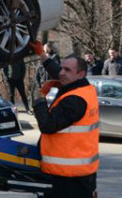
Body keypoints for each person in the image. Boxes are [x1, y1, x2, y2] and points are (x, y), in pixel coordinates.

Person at [29, 41, 98, 198]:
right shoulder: (84, 88)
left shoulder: (75, 100)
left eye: (67, 70)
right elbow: (59, 72)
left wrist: (40, 98)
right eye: (62, 68)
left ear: (80, 74)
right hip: (78, 172)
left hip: (70, 177)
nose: (61, 73)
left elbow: (47, 125)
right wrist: (42, 55)